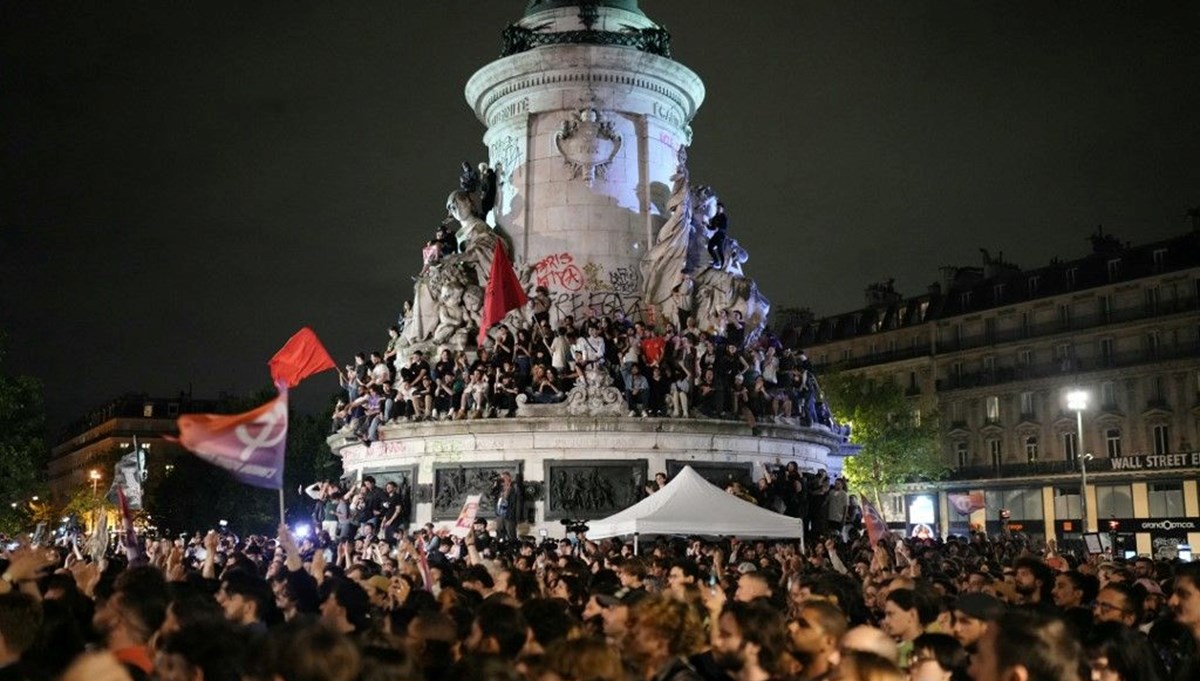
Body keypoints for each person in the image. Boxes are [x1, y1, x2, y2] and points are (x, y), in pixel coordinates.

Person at [495, 471, 520, 542]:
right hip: (500, 515)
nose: (503, 480)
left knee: (511, 535)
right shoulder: (499, 489)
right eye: (501, 478)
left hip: (509, 516)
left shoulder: (514, 489)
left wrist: (517, 517)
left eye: (504, 478)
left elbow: (517, 503)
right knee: (499, 535)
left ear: (509, 478)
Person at [707, 202, 728, 269]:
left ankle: (722, 266)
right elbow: (712, 227)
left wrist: (718, 229)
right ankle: (716, 261)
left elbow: (724, 227)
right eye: (717, 208)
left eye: (719, 208)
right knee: (710, 247)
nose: (718, 209)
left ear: (722, 209)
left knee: (720, 251)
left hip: (721, 236)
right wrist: (706, 225)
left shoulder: (724, 217)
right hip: (716, 235)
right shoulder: (715, 217)